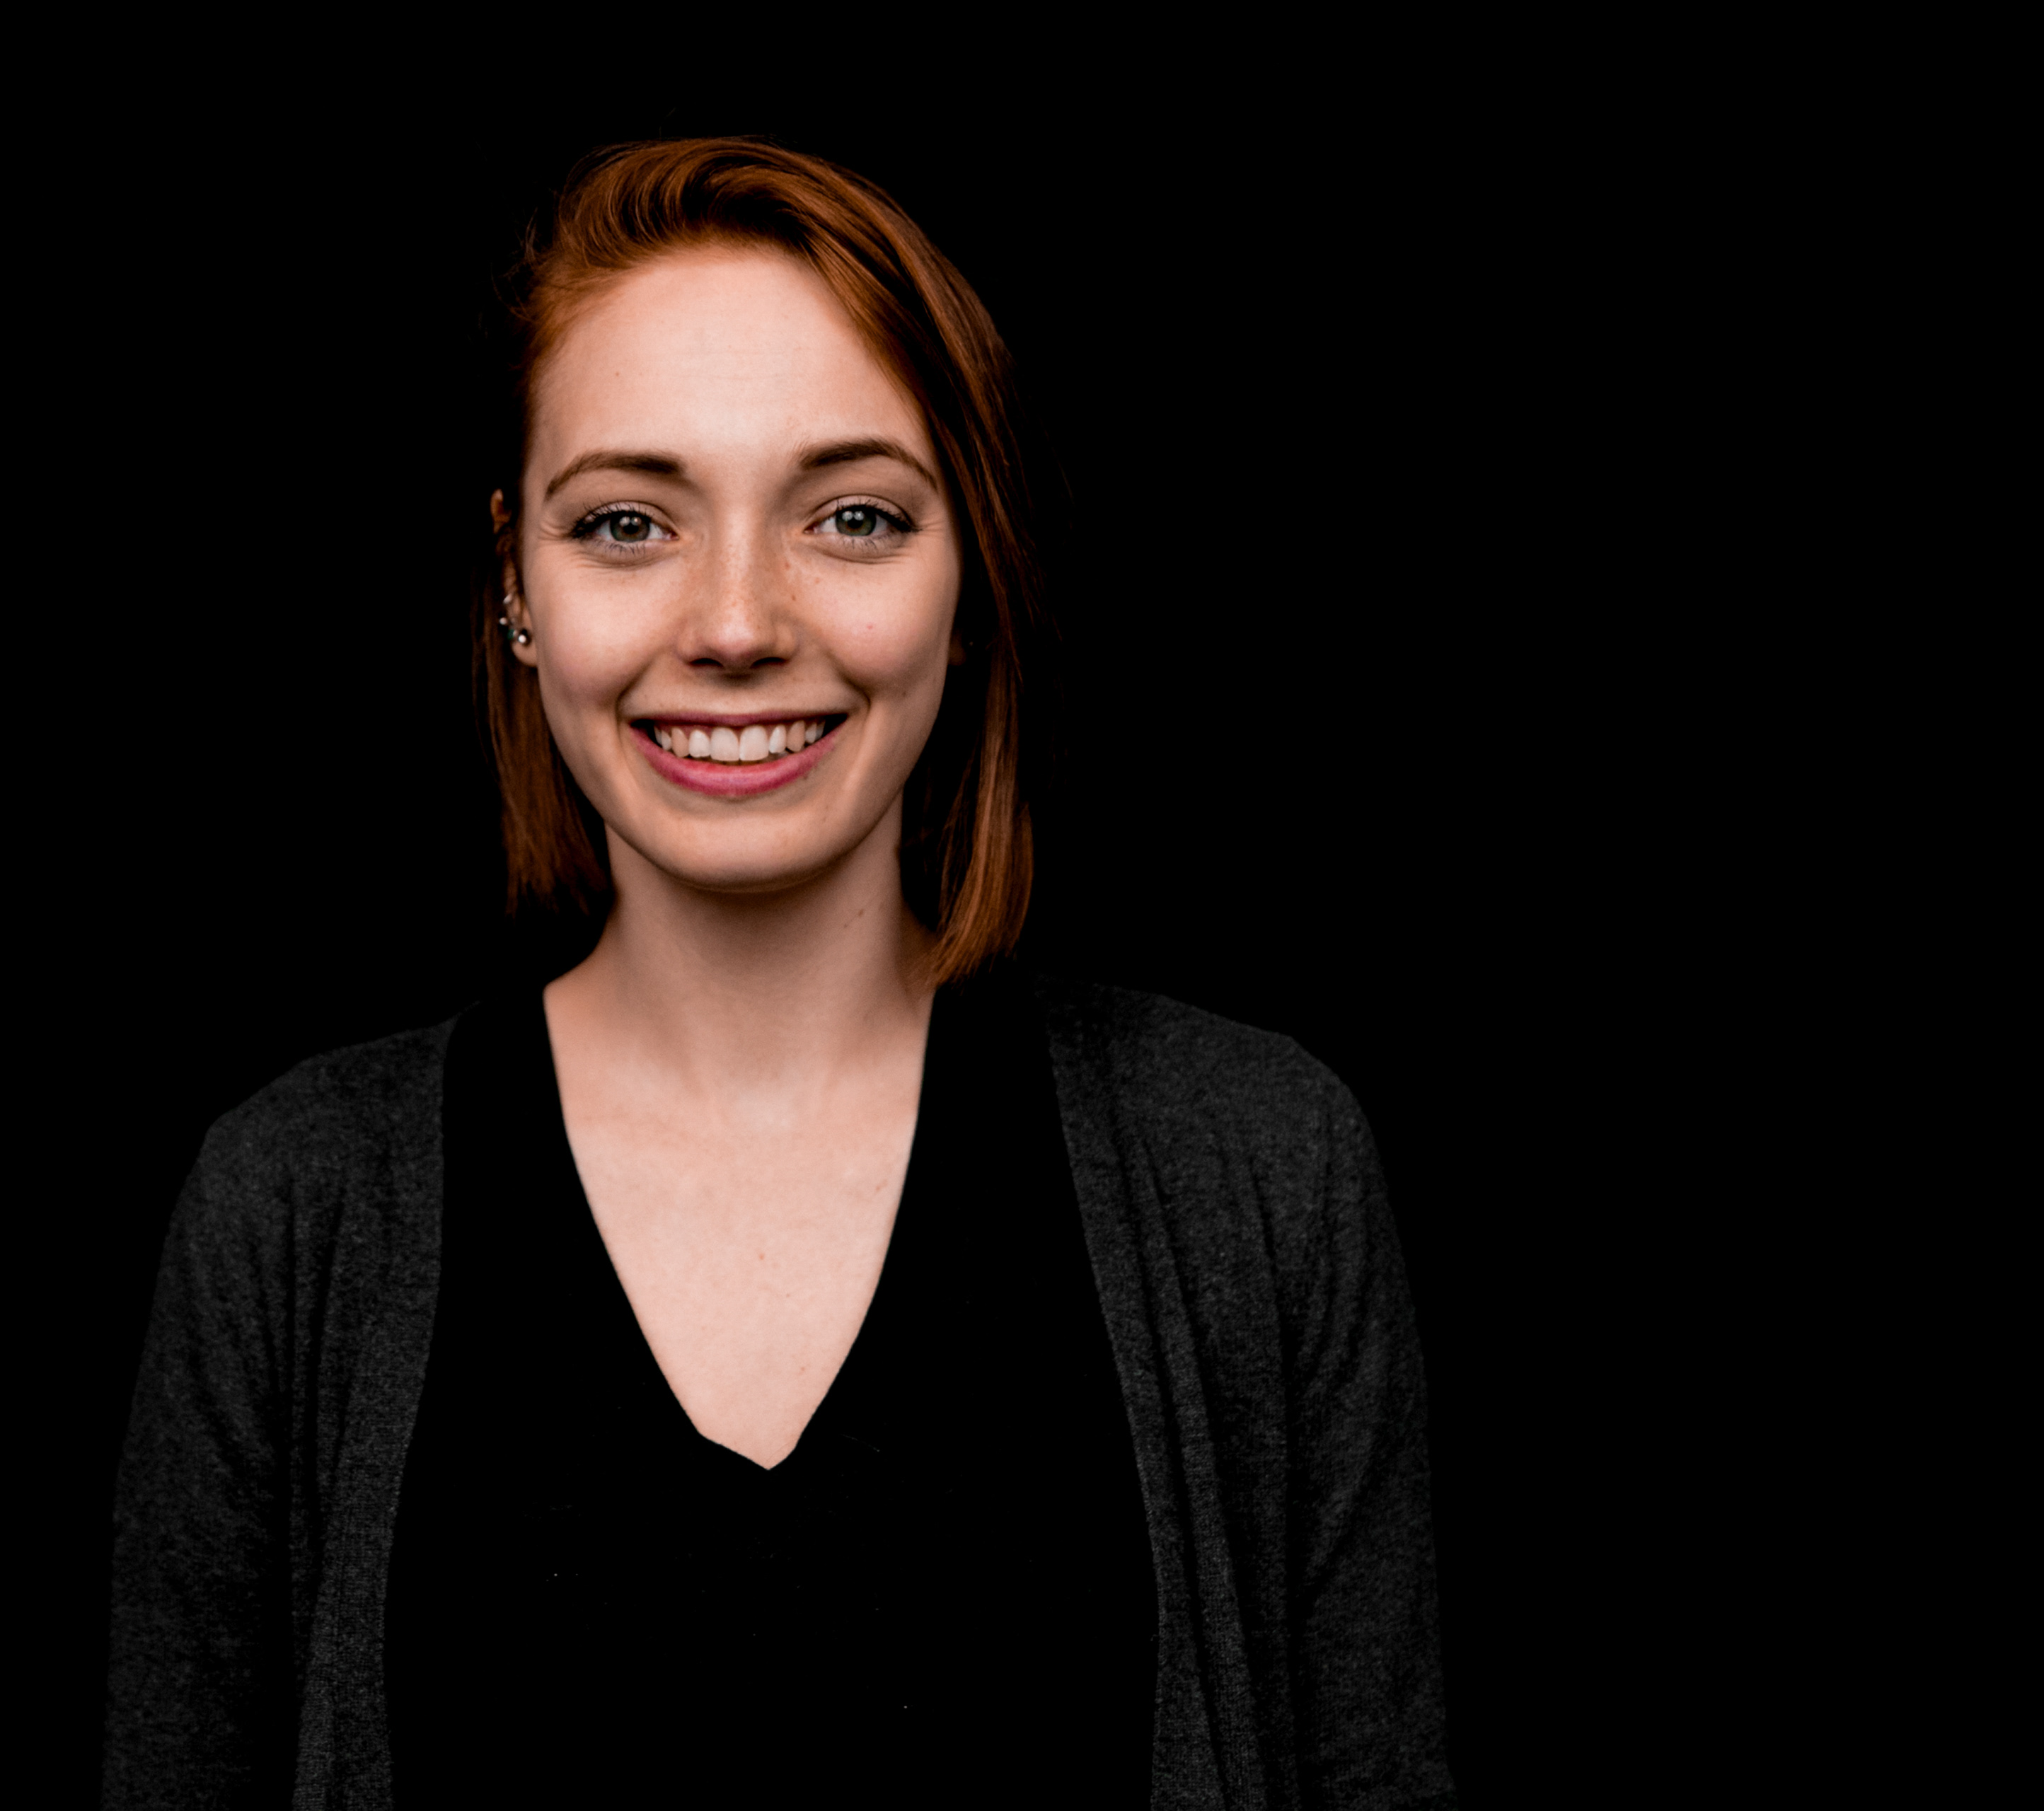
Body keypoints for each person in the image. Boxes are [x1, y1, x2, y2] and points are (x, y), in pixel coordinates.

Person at [103, 138, 1453, 1810]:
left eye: (854, 515)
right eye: (627, 523)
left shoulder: (1260, 1169)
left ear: (972, 577)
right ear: (516, 581)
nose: (737, 621)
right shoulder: (292, 1209)